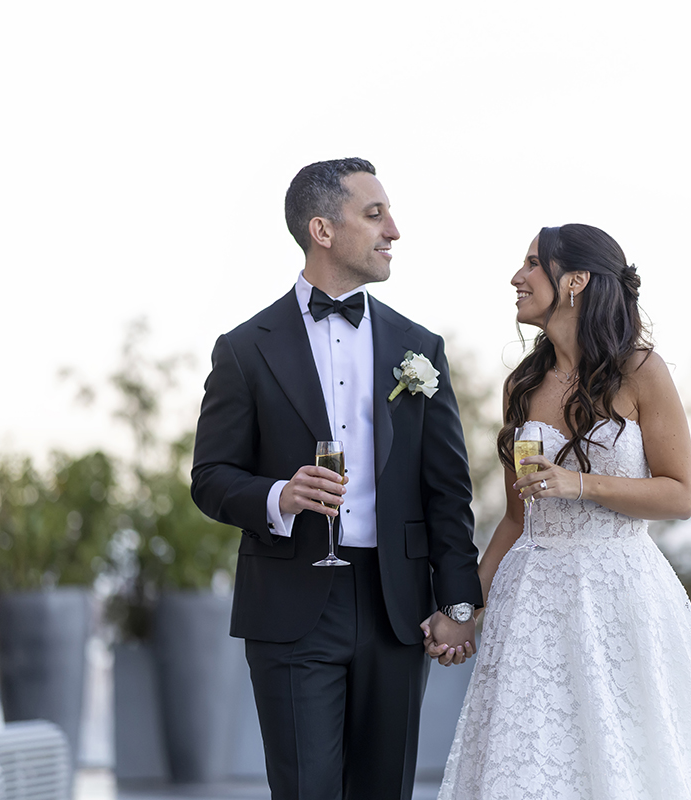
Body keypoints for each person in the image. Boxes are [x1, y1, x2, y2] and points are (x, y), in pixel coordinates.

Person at [426, 224, 691, 799]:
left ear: (576, 280)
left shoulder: (642, 371)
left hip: (622, 596)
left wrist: (581, 484)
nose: (516, 278)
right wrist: (464, 608)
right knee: (533, 764)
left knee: (631, 760)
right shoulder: (520, 385)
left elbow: (680, 494)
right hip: (533, 604)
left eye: (532, 264)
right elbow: (515, 519)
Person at [191, 158, 483, 800]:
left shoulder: (420, 347)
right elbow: (209, 477)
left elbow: (448, 489)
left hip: (396, 605)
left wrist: (460, 603)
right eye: (375, 215)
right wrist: (279, 495)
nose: (393, 231)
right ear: (322, 230)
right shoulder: (243, 349)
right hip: (290, 605)